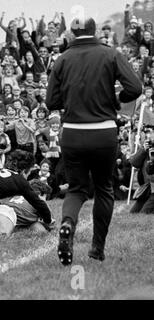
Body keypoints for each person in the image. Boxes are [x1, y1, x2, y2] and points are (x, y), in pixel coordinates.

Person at [46, 17, 143, 265]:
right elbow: (135, 87)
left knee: (77, 189)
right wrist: (118, 96)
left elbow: (51, 102)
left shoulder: (62, 59)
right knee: (103, 188)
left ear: (71, 34)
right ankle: (97, 249)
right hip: (103, 132)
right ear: (94, 31)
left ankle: (68, 222)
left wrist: (72, 100)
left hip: (73, 132)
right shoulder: (110, 54)